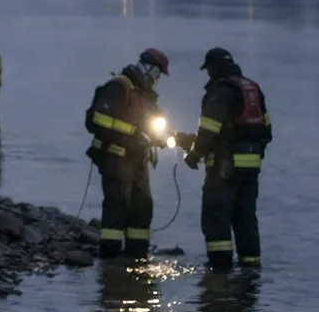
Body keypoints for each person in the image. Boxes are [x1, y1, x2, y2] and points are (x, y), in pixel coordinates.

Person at [178, 48, 271, 270]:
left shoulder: (221, 91)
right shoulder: (252, 89)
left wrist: (194, 156)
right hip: (250, 169)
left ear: (213, 68)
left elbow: (209, 130)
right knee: (245, 218)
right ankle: (250, 270)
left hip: (224, 168)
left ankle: (219, 269)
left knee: (215, 216)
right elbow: (266, 132)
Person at [84, 48, 169, 259]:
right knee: (118, 204)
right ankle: (110, 259)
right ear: (145, 67)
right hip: (116, 156)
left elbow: (152, 126)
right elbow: (98, 121)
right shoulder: (118, 88)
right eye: (156, 73)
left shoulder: (147, 97)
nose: (157, 79)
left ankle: (137, 255)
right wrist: (135, 133)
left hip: (138, 159)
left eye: (159, 75)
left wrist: (163, 137)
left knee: (143, 206)